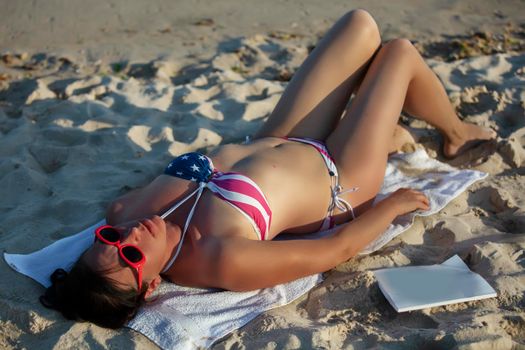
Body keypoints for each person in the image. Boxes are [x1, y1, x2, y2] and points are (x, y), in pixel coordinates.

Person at [40, 9, 495, 328]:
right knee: (398, 53)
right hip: (340, 179)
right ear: (152, 286)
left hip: (278, 136)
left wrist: (123, 225)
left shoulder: (129, 213)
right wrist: (389, 206)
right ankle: (454, 131)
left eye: (111, 240)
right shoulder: (221, 257)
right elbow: (331, 252)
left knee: (360, 25)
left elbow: (121, 209)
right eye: (132, 257)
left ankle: (386, 128)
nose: (129, 237)